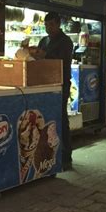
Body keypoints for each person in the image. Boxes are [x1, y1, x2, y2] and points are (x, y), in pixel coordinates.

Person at [31, 12, 74, 170]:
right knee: (47, 120)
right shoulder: (44, 40)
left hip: (60, 85)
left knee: (61, 119)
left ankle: (66, 157)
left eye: (51, 25)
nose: (48, 28)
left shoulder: (66, 42)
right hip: (44, 85)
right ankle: (49, 156)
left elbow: (61, 62)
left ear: (58, 24)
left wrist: (45, 55)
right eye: (46, 25)